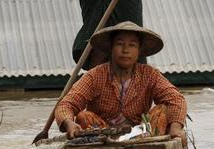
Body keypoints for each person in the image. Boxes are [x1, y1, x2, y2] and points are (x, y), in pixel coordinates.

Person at [55, 21, 187, 140]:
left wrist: (175, 127)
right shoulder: (95, 75)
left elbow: (176, 99)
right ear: (111, 48)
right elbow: (66, 104)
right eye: (120, 44)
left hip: (141, 134)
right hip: (103, 134)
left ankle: (148, 146)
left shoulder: (150, 74)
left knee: (161, 111)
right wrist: (68, 123)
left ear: (139, 50)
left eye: (132, 45)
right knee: (83, 117)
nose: (125, 50)